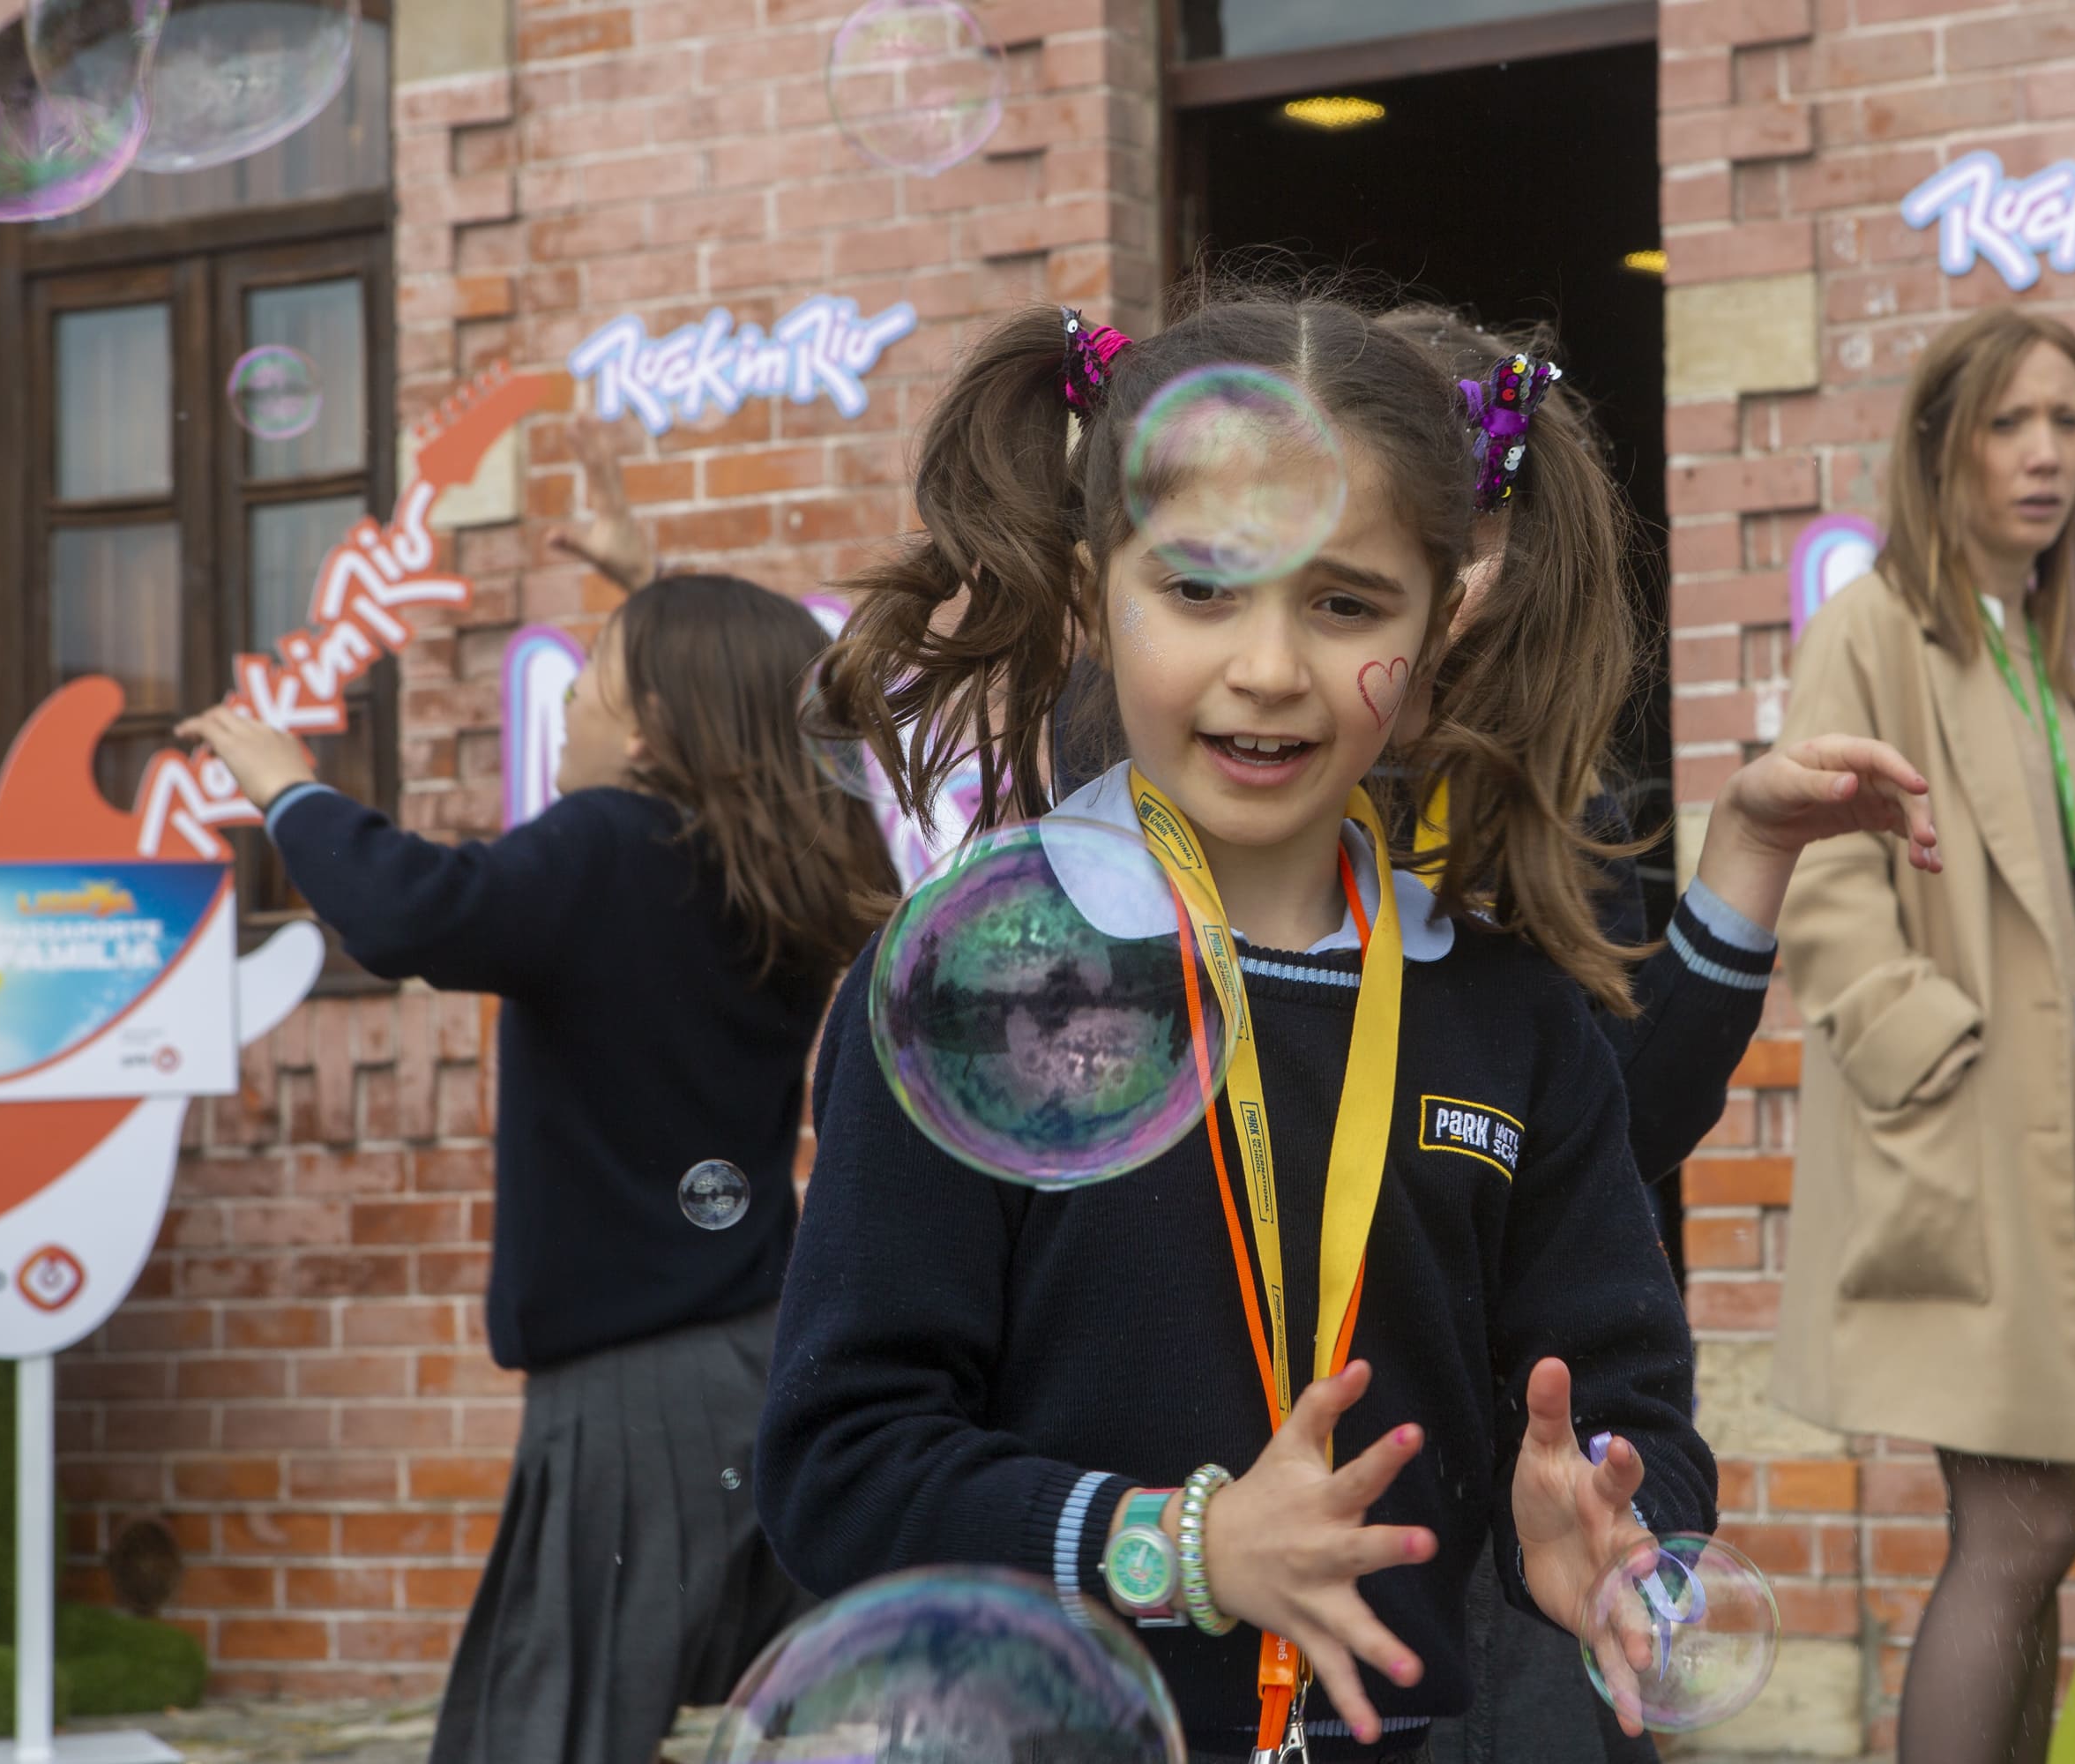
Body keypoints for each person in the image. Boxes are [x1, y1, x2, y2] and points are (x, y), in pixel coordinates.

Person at [754, 288, 1916, 1764]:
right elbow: (839, 1466)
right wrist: (1182, 1545)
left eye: (1346, 601)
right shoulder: (980, 983)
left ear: (1444, 625)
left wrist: (1621, 1517)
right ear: (1086, 589)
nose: (1270, 666)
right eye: (1201, 589)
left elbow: (1626, 1403)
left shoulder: (1511, 1020)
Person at [178, 574, 898, 1764]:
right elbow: (745, 711)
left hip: (633, 1392)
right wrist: (646, 580)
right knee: (787, 1702)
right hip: (757, 1354)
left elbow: (418, 913)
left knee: (534, 1732)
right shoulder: (772, 863)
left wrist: (286, 788)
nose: (565, 708)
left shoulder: (610, 841)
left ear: (652, 727)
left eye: (595, 678)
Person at [1364, 308, 1938, 1764]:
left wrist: (1747, 859)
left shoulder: (1546, 816)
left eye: (1473, 525)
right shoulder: (1190, 829)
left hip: (1515, 1512)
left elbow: (1617, 1134)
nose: (1442, 571)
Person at [1768, 308, 2075, 1764]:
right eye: (2009, 423)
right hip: (1979, 1150)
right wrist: (1938, 1052)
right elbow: (1821, 878)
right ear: (1940, 445)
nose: (2047, 455)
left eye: (2067, 422)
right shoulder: (1877, 627)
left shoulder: (2037, 647)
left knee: (2038, 1546)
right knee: (2017, 1533)